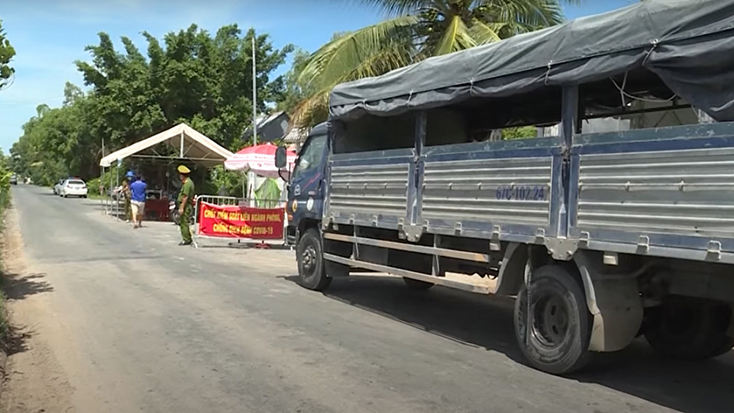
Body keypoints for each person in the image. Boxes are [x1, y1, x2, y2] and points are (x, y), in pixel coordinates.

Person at [177, 165, 195, 246]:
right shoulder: (188, 182)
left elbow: (185, 196)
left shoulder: (187, 183)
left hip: (186, 205)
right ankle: (188, 238)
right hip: (186, 205)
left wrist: (181, 207)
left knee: (184, 222)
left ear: (182, 175)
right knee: (184, 222)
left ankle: (186, 239)